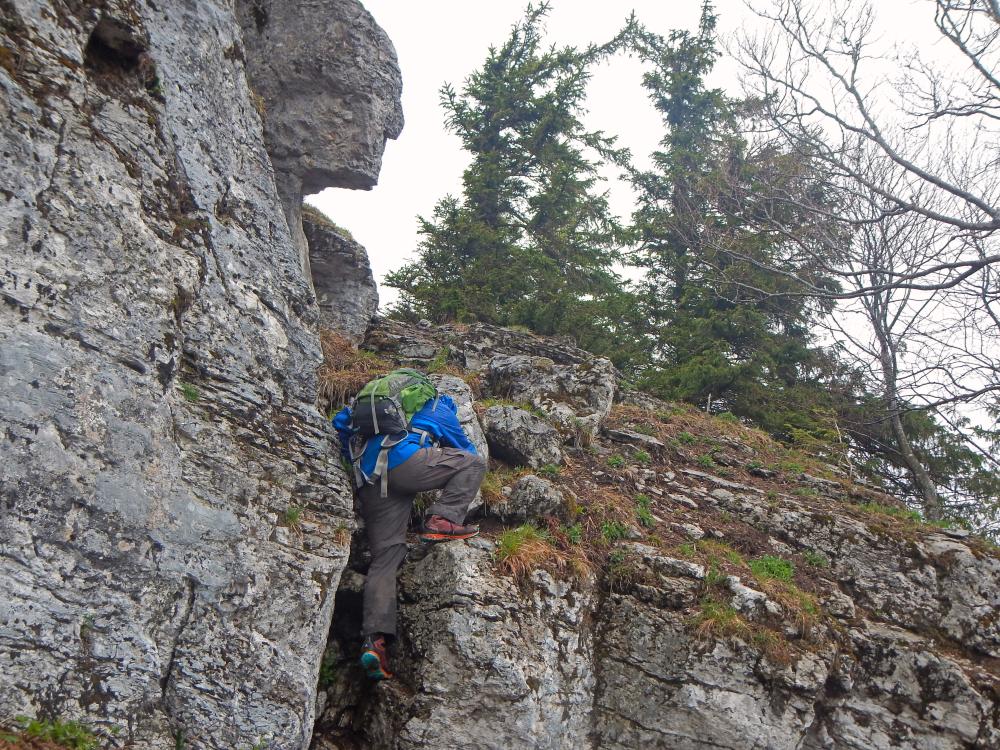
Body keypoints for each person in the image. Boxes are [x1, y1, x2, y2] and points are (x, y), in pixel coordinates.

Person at [332, 383, 486, 681]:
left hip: (369, 481)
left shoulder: (366, 404)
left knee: (386, 557)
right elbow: (465, 452)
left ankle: (374, 642)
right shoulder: (440, 406)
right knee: (473, 464)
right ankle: (441, 520)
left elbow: (340, 425)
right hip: (404, 465)